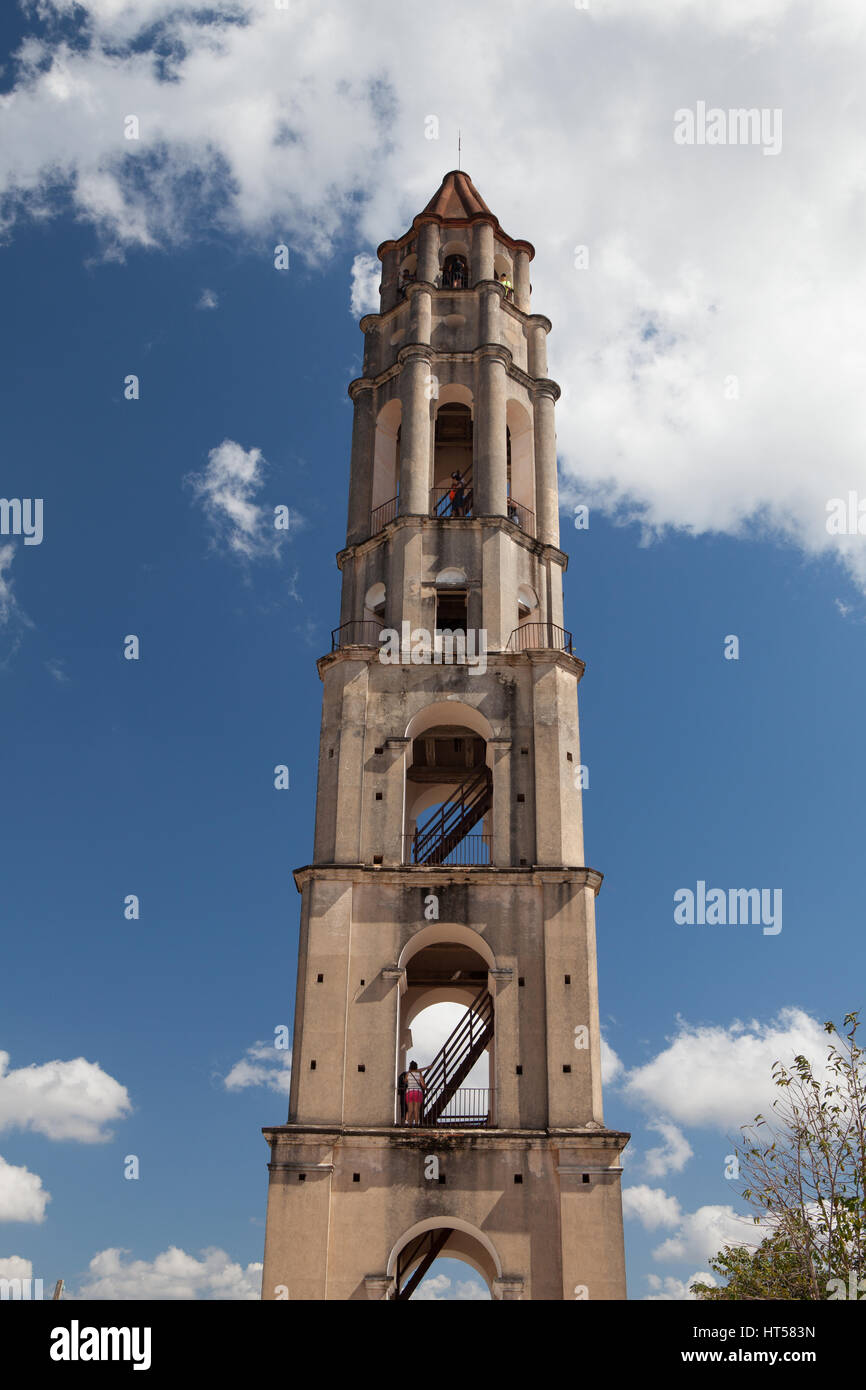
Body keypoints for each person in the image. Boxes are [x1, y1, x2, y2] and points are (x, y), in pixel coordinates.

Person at [404, 1060, 426, 1126]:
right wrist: (425, 1087)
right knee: (416, 1110)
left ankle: (407, 1123)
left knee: (410, 1109)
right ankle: (416, 1123)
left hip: (409, 1092)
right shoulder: (419, 1074)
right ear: (416, 1067)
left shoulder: (408, 1074)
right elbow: (423, 1085)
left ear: (410, 1067)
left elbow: (405, 1081)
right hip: (418, 1092)